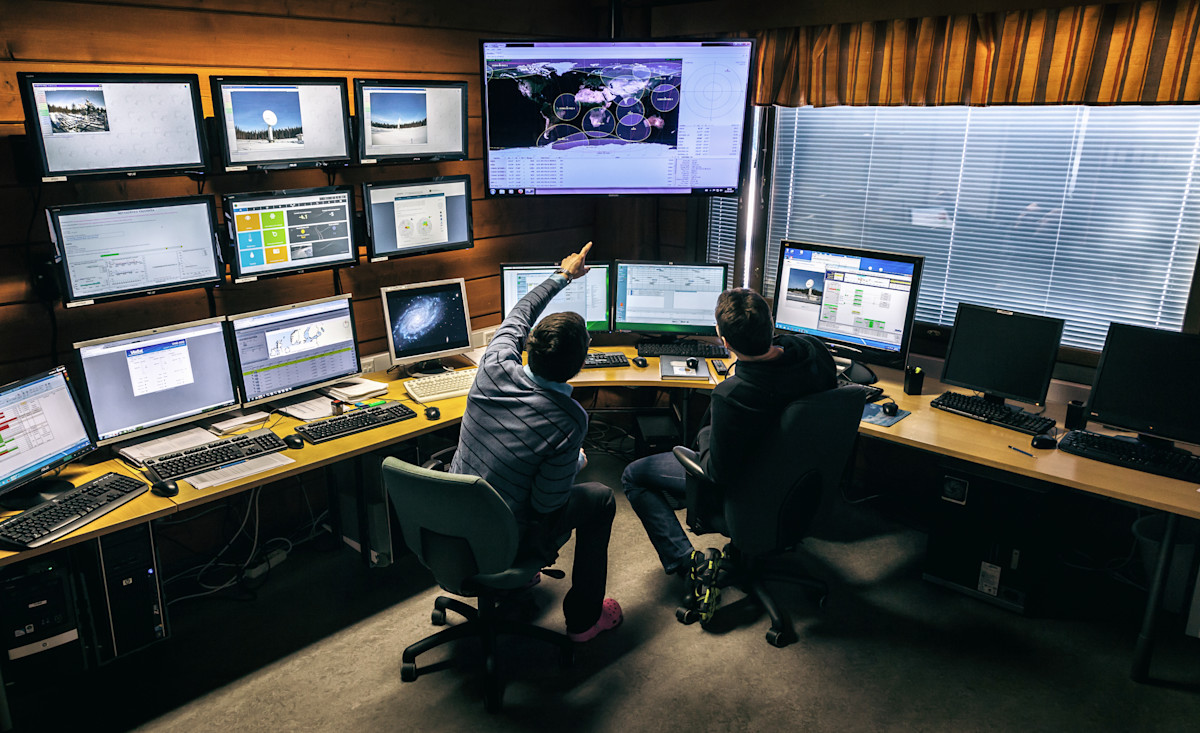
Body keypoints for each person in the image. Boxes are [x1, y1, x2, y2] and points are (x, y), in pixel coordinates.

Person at [450, 242, 621, 642]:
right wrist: (574, 462)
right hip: (506, 537)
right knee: (600, 498)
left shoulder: (493, 364)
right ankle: (584, 620)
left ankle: (519, 584)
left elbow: (518, 313)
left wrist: (563, 274)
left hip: (453, 521)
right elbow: (547, 505)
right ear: (579, 365)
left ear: (528, 344)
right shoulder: (567, 420)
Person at [621, 287, 838, 582]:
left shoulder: (733, 394)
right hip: (800, 481)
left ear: (723, 341)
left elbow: (716, 472)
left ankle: (686, 563)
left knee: (634, 475)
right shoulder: (816, 353)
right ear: (770, 325)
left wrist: (707, 433)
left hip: (745, 487)